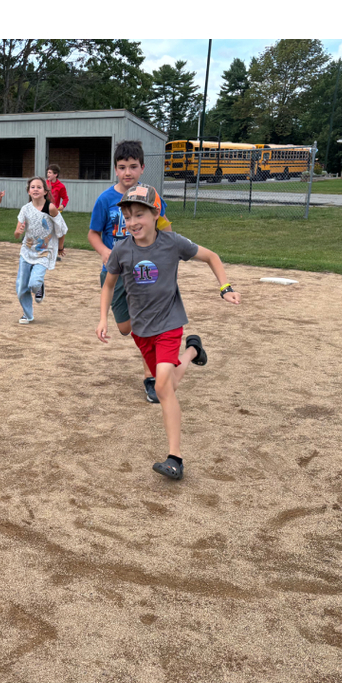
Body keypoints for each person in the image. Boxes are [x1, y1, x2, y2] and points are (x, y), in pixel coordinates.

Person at [97, 184, 240, 481]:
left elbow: (212, 256)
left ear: (155, 213)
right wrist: (103, 319)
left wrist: (225, 288)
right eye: (127, 216)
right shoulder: (122, 249)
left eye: (139, 214)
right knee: (169, 384)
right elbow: (109, 285)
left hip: (169, 323)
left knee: (162, 388)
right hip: (141, 329)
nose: (133, 221)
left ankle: (175, 458)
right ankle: (192, 351)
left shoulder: (173, 242)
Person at [89, 140, 172, 405]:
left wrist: (166, 251)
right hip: (115, 271)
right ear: (115, 169)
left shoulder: (151, 195)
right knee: (126, 328)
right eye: (122, 167)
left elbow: (163, 225)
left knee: (145, 325)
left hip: (143, 271)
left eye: (133, 167)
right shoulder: (106, 200)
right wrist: (104, 252)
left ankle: (151, 377)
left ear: (142, 168)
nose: (128, 172)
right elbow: (93, 234)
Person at [13, 176, 66, 324]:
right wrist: (20, 231)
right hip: (27, 250)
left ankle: (39, 286)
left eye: (39, 187)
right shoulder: (25, 209)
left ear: (45, 191)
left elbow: (61, 229)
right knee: (22, 287)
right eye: (32, 187)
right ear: (28, 191)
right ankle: (28, 315)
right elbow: (16, 234)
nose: (35, 189)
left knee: (34, 283)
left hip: (44, 251)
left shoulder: (50, 208)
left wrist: (60, 247)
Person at [46, 164, 69, 260]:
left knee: (61, 230)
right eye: (47, 172)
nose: (48, 174)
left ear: (56, 174)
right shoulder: (44, 184)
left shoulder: (61, 186)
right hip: (44, 211)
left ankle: (57, 250)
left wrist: (63, 205)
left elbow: (65, 198)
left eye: (50, 173)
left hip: (55, 212)